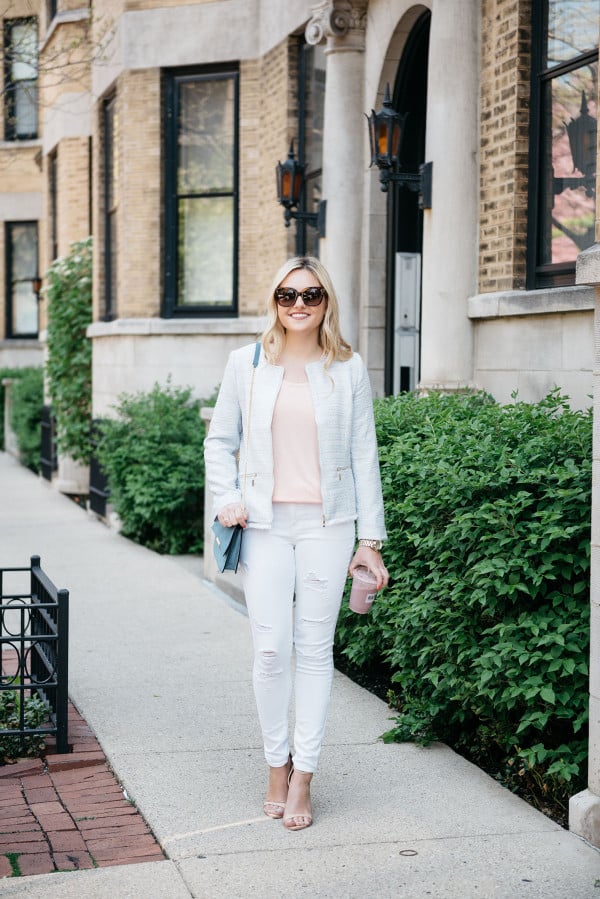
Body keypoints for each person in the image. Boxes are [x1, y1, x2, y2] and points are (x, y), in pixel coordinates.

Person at [204, 256, 388, 831]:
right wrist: (226, 496)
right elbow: (219, 441)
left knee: (313, 650)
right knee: (269, 650)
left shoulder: (347, 368)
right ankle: (275, 764)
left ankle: (304, 773)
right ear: (275, 301)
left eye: (311, 294)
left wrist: (370, 539)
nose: (299, 304)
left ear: (326, 301)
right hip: (263, 525)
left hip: (327, 527)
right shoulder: (247, 363)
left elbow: (363, 455)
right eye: (287, 294)